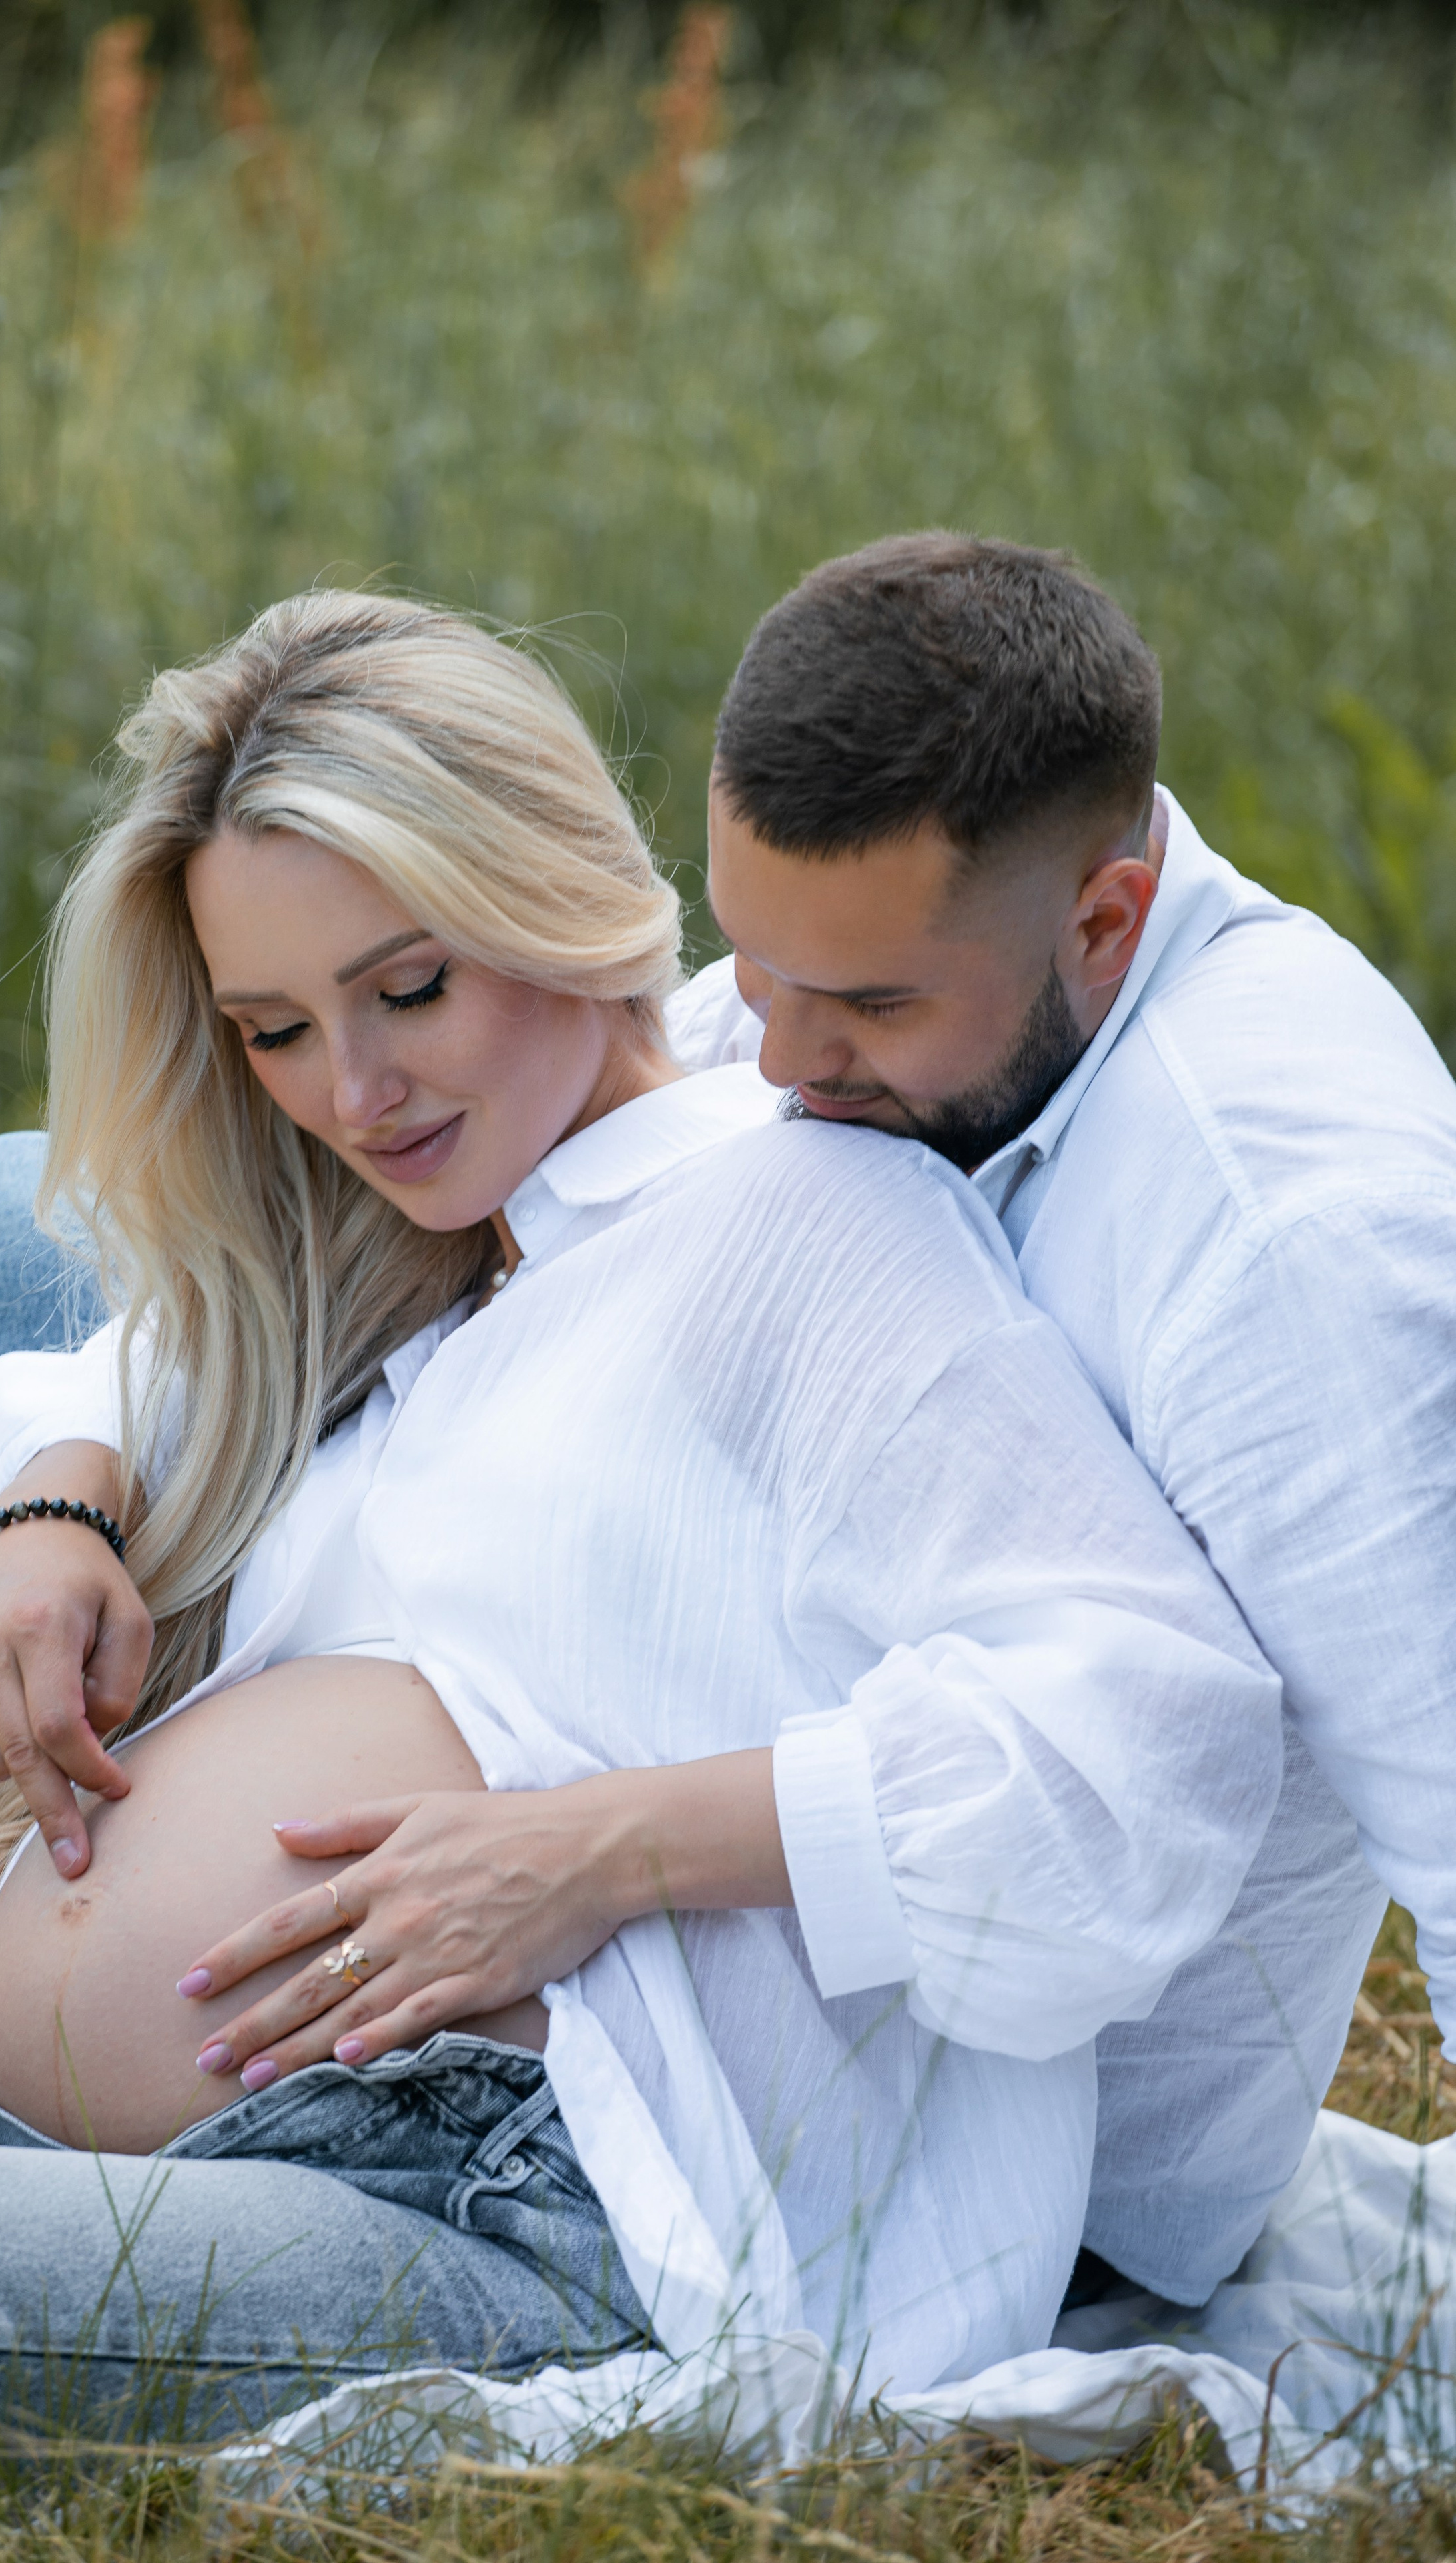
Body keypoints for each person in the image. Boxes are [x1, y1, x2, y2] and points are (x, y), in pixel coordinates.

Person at [0, 589, 1281, 2510]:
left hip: (525, 2214)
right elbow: (143, 1337)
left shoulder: (791, 1223)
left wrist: (603, 1851)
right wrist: (52, 1508)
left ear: (545, 885)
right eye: (277, 1031)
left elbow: (1151, 1742)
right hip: (28, 2103)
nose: (355, 1093)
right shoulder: (453, 1232)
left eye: (411, 989)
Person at [678, 530, 1456, 2311]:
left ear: (1101, 920)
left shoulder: (1294, 1251)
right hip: (680, 1923)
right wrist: (71, 1494)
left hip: (953, 2155)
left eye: (867, 1002)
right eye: (750, 963)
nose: (778, 1057)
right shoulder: (858, 1001)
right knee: (7, 1235)